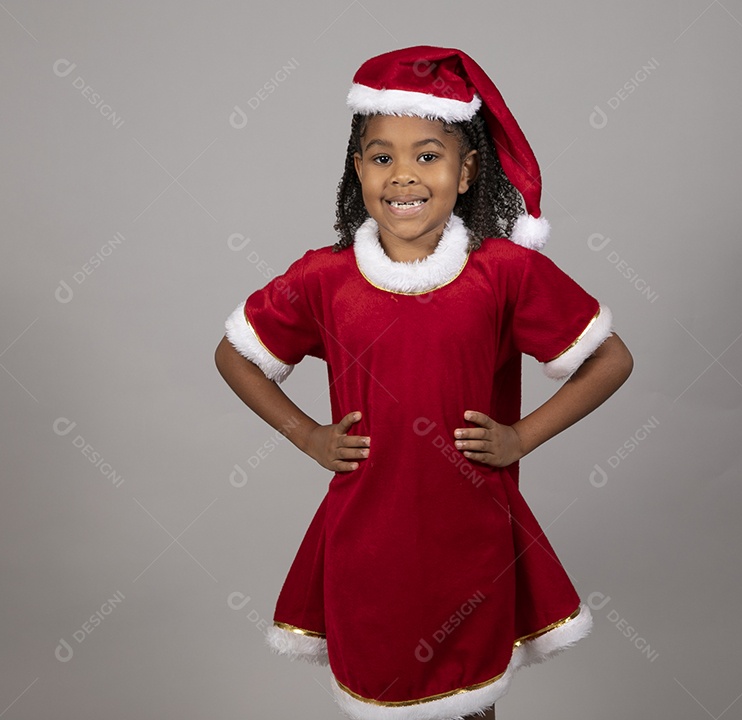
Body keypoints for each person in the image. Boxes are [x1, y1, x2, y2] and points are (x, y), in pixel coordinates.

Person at [215, 46, 633, 720]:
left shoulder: (504, 271)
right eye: (382, 157)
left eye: (428, 155)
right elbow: (235, 355)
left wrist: (522, 436)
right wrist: (308, 436)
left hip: (473, 540)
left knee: (472, 698)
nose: (403, 175)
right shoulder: (323, 278)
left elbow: (610, 360)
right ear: (357, 168)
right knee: (378, 696)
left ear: (467, 171)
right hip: (365, 542)